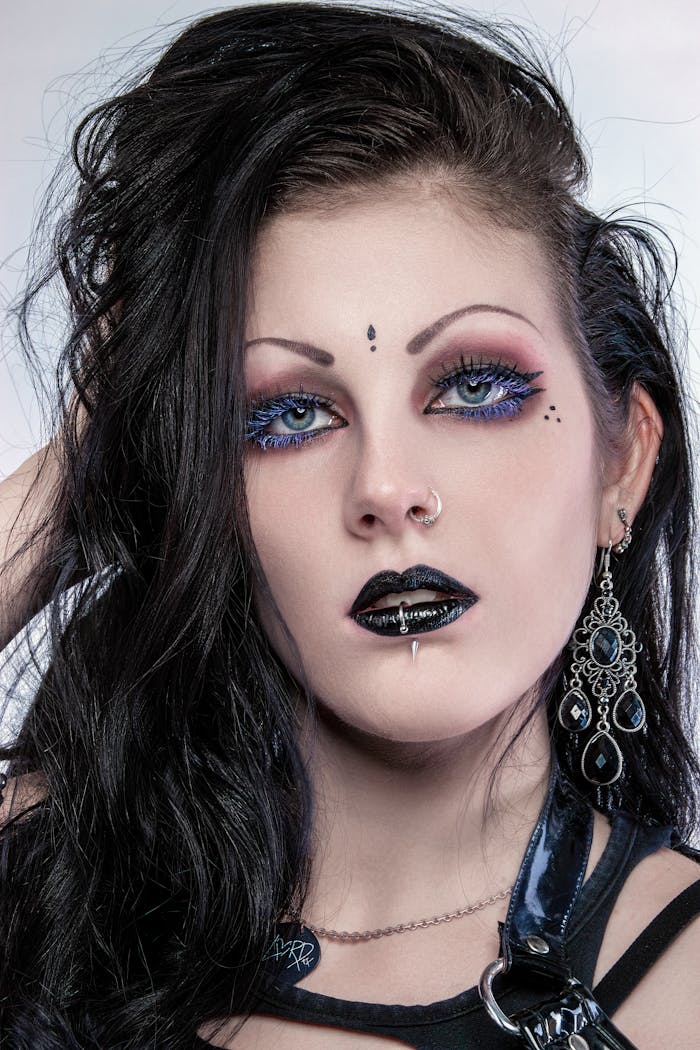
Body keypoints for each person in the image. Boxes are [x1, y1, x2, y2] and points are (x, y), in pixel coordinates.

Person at [0, 3, 698, 1047]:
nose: (386, 487)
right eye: (287, 414)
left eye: (473, 386)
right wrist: (84, 464)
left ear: (622, 461)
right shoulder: (47, 893)